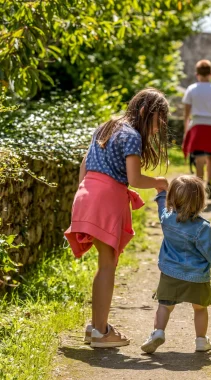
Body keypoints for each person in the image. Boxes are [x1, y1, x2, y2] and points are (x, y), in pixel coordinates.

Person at [64, 88, 170, 348]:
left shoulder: (106, 126)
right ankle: (100, 331)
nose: (159, 127)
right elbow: (134, 179)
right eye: (159, 120)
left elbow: (84, 164)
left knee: (105, 262)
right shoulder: (132, 136)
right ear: (146, 112)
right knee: (107, 265)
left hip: (86, 193)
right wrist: (160, 182)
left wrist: (86, 196)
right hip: (106, 198)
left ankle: (97, 327)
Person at [141, 176, 211, 354]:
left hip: (170, 273)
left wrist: (162, 193)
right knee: (200, 308)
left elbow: (162, 206)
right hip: (197, 276)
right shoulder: (202, 227)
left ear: (172, 199)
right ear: (200, 201)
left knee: (164, 305)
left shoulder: (167, 219)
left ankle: (158, 332)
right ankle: (201, 340)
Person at [182, 59, 211, 199]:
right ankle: (209, 183)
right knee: (210, 157)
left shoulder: (191, 89)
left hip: (197, 127)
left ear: (197, 74)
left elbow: (186, 114)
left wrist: (186, 132)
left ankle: (199, 188)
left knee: (199, 160)